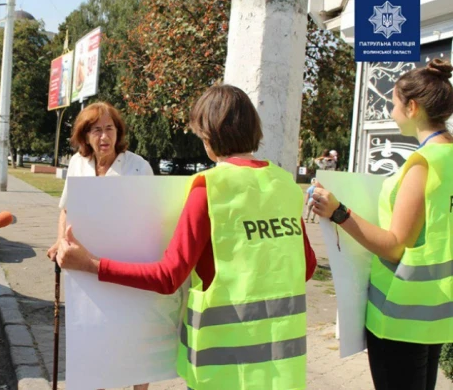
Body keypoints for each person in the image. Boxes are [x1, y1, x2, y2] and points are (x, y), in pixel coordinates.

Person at [54, 84, 317, 390]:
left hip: (222, 365)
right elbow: (307, 267)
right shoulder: (285, 183)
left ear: (209, 135)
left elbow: (168, 277)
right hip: (282, 361)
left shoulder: (209, 187)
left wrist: (89, 264)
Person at [312, 58, 453, 390]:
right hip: (435, 310)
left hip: (400, 313)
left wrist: (338, 211)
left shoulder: (422, 164)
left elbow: (394, 246)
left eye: (393, 104)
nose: (391, 112)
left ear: (412, 107)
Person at [46, 101, 154, 390]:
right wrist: (60, 241)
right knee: (94, 337)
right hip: (85, 267)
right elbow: (66, 210)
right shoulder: (78, 164)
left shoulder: (137, 166)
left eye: (109, 129)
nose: (104, 137)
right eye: (96, 130)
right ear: (85, 135)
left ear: (118, 133)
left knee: (133, 340)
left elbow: (151, 217)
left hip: (127, 266)